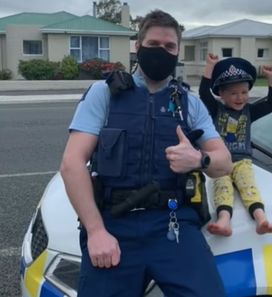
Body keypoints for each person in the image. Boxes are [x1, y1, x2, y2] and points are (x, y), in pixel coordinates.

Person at [60, 10, 232, 297]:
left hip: (172, 224)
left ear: (177, 51)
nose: (161, 52)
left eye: (169, 47)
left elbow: (224, 162)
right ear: (137, 47)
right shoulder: (103, 94)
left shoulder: (190, 104)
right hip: (114, 222)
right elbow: (71, 164)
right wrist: (96, 231)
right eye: (153, 45)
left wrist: (198, 160)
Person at [199, 53, 272, 236]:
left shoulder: (249, 111)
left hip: (243, 160)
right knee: (222, 187)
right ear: (221, 94)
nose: (240, 98)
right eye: (233, 93)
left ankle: (261, 220)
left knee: (248, 186)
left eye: (244, 92)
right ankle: (223, 222)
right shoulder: (216, 109)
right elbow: (204, 92)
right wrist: (210, 65)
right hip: (221, 160)